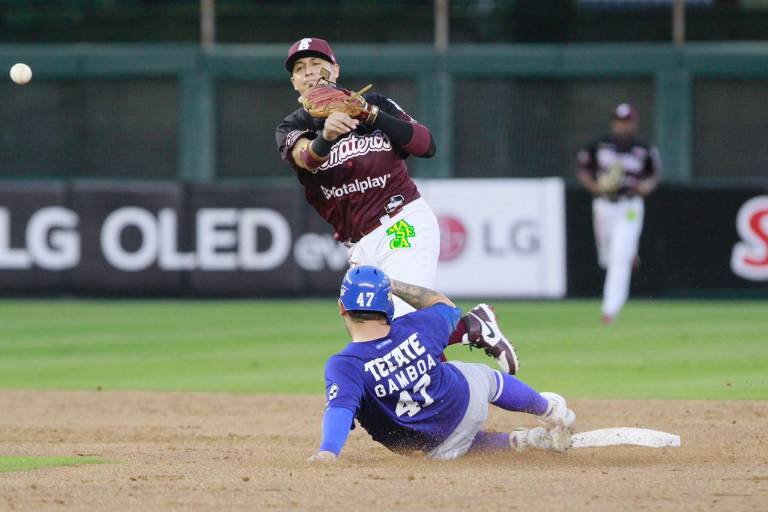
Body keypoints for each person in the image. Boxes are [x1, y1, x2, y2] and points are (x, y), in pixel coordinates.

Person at [307, 265, 576, 462]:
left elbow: (339, 411)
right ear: (388, 307)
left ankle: (522, 442)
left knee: (455, 441)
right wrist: (396, 285)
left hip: (432, 446)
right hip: (466, 400)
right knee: (489, 379)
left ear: (342, 307)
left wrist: (328, 452)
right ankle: (550, 410)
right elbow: (446, 306)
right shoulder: (416, 325)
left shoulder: (344, 365)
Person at [275, 37, 440, 318]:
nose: (310, 72)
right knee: (374, 337)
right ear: (294, 82)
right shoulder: (292, 126)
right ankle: (469, 328)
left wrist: (369, 114)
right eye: (300, 68)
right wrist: (325, 137)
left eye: (317, 63)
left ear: (335, 70)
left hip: (401, 224)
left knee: (402, 325)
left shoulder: (374, 105)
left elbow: (426, 145)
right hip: (359, 247)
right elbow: (306, 159)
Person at [576, 103, 661, 325]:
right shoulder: (600, 145)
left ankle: (610, 309)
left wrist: (646, 187)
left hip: (629, 205)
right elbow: (583, 168)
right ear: (614, 122)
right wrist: (594, 186)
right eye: (619, 121)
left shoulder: (644, 149)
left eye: (627, 121)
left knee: (618, 259)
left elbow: (654, 174)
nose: (623, 126)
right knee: (606, 256)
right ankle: (630, 250)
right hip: (604, 205)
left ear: (634, 123)